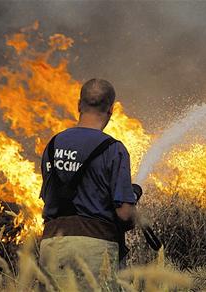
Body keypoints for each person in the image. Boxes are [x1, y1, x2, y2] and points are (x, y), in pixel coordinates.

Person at [39, 79, 137, 290]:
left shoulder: (52, 145)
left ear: (78, 105)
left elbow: (50, 199)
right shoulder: (114, 149)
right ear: (111, 109)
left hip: (52, 246)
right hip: (95, 248)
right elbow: (125, 214)